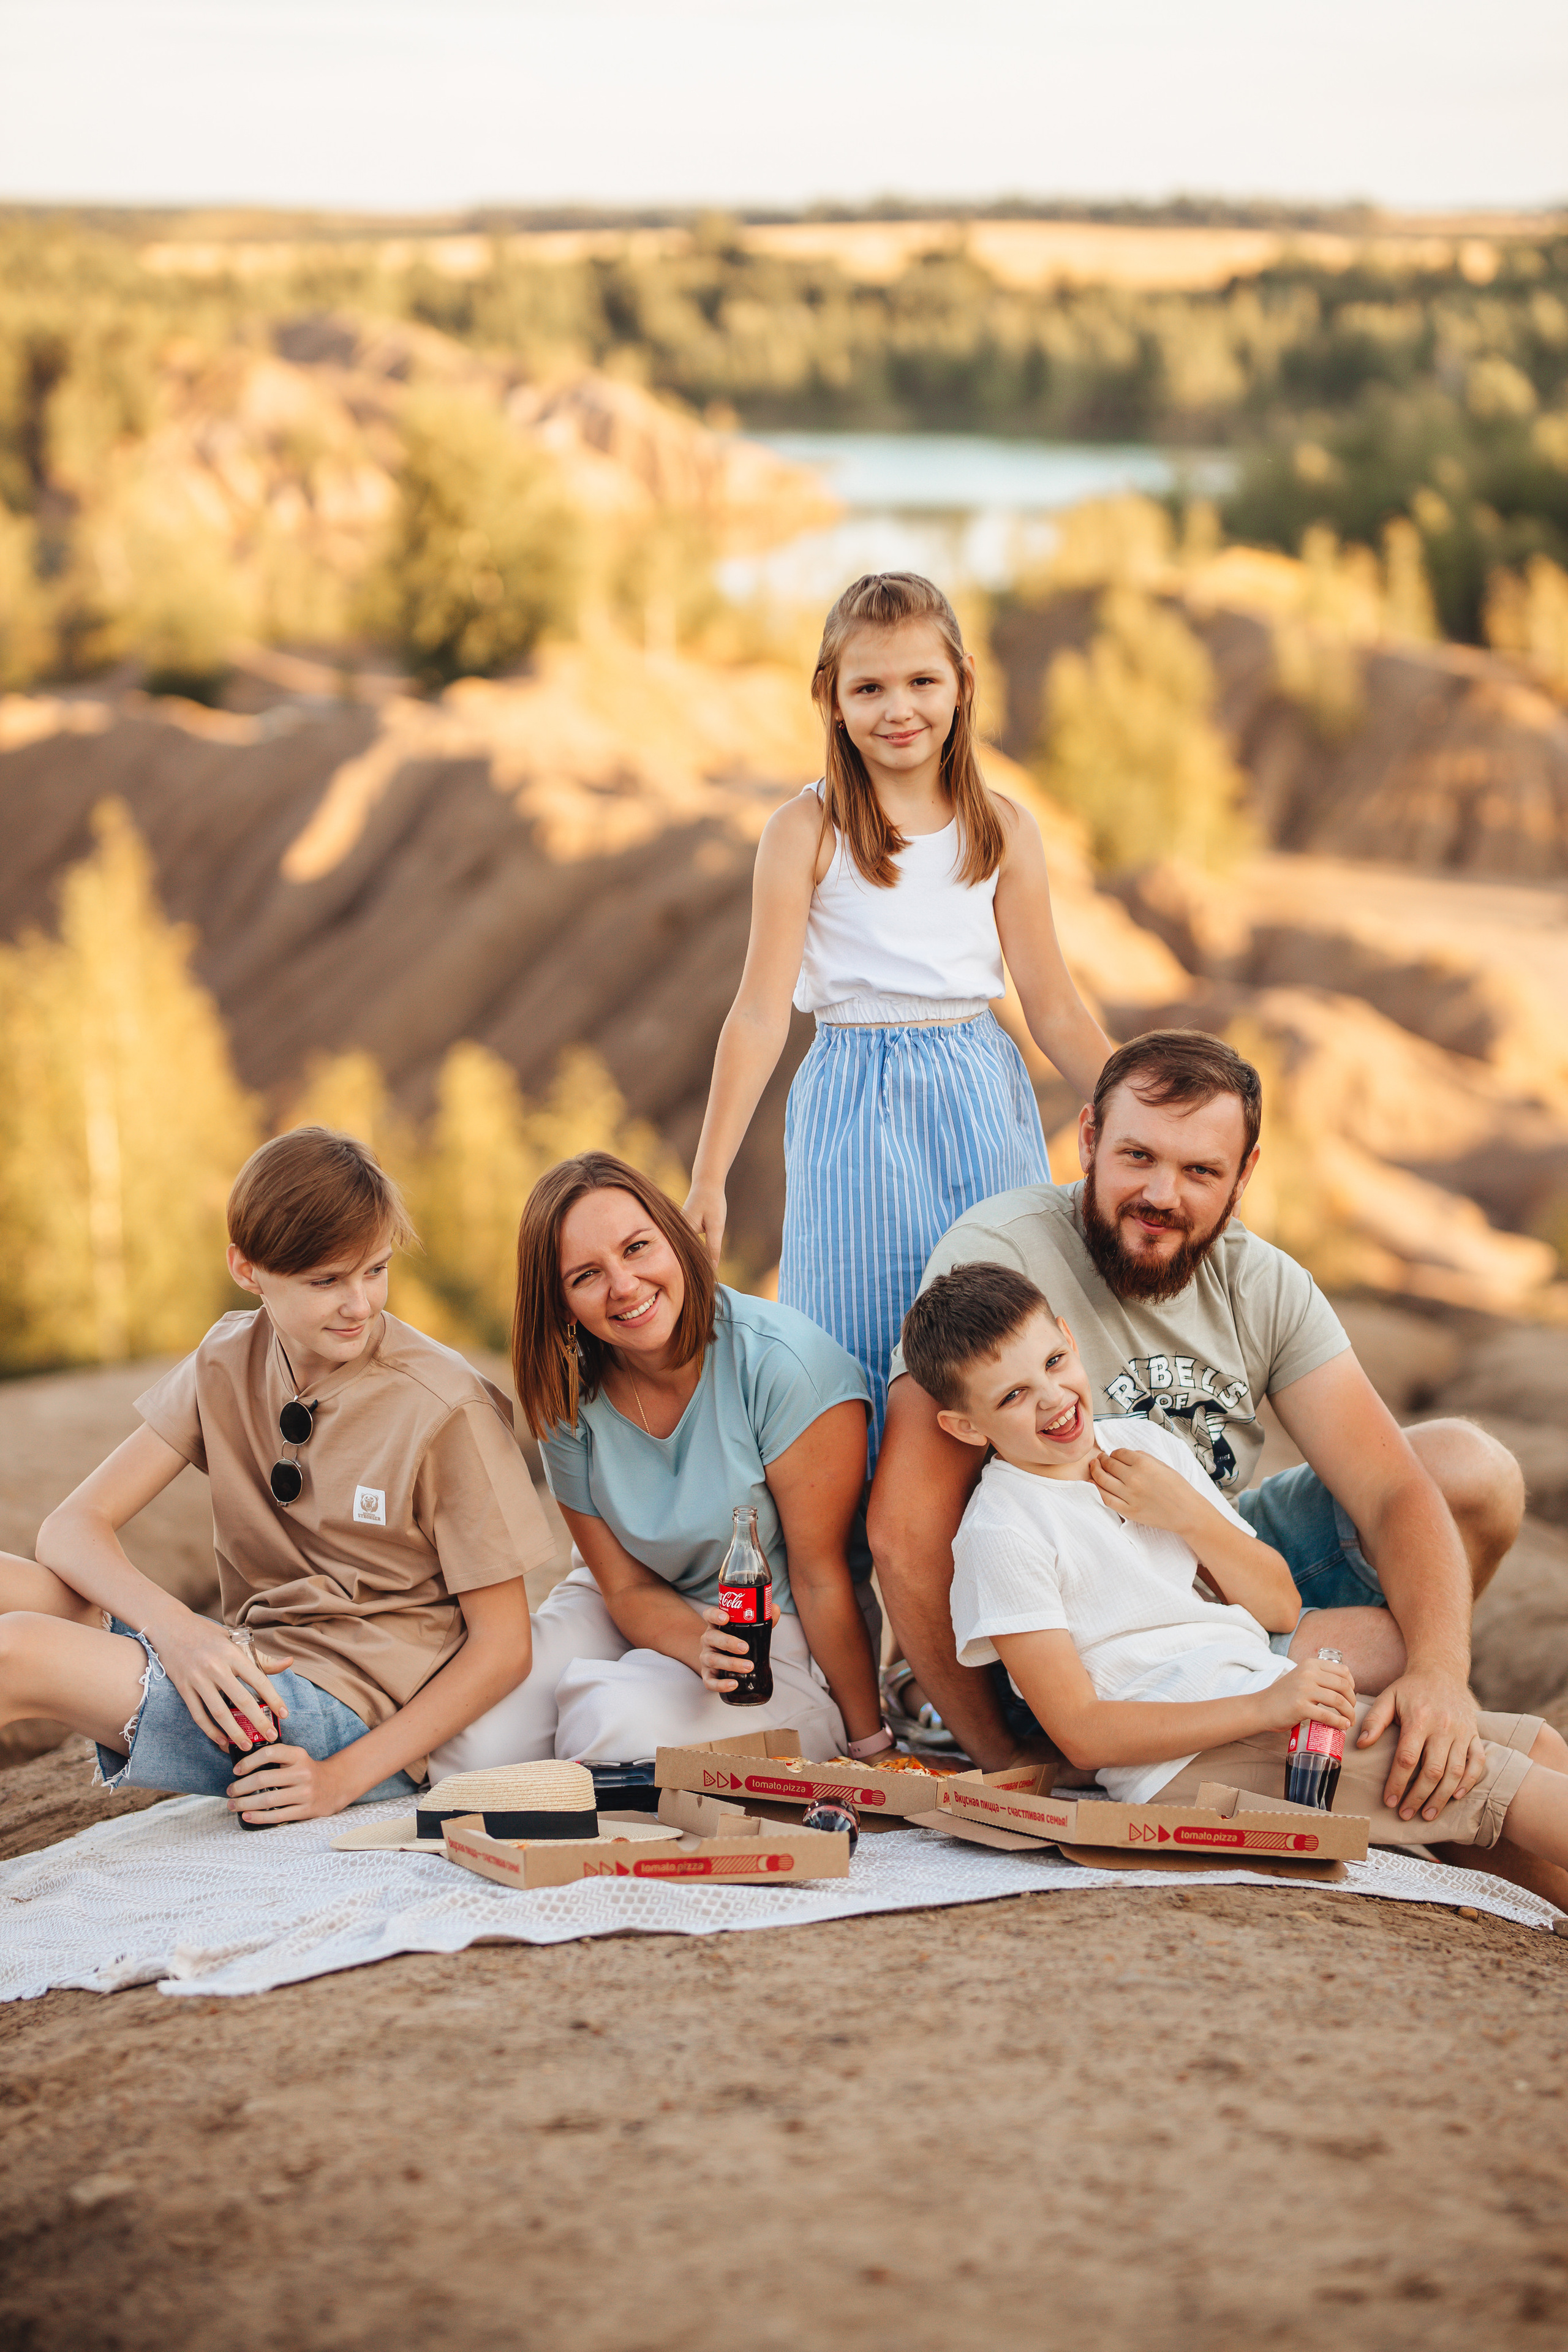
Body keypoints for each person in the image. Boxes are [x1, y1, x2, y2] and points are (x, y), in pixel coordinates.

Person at [870, 1029, 1528, 1852]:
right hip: (1081, 1619)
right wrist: (1009, 1756)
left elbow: (1395, 1490)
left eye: (1200, 1171)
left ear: (1245, 1176)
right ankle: (1308, 1727)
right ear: (1089, 1141)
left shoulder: (1265, 1282)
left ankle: (1386, 1726)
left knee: (1466, 1485)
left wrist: (1442, 1674)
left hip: (1215, 1572)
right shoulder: (1004, 1254)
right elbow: (905, 1530)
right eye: (1138, 1157)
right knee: (1412, 1672)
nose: (1160, 1193)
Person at [900, 1263, 1568, 1884]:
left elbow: (1278, 1608)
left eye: (1054, 1362)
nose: (1052, 1399)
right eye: (1015, 1395)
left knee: (1535, 1744)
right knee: (1500, 1784)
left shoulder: (1143, 1444)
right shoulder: (1004, 1531)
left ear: (1069, 1338)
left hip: (1266, 1688)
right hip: (1190, 1760)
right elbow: (1079, 1731)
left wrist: (1190, 1514)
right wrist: (1262, 1707)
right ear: (964, 1426)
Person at [682, 570, 1109, 1470]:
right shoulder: (809, 829)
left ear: (963, 681)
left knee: (1001, 1342)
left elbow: (1057, 1008)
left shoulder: (1001, 829)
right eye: (868, 688)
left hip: (980, 1096)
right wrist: (708, 1178)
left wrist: (1143, 1122)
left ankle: (1007, 1575)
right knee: (855, 1346)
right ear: (831, 701)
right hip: (853, 1102)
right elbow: (757, 1016)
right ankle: (869, 1562)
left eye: (922, 682)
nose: (898, 709)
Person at [0, 1128, 550, 1824]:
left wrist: (340, 1780)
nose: (360, 1304)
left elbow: (504, 1649)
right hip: (242, 1662)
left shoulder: (447, 1405)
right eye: (326, 1281)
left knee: (14, 1651)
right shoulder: (225, 1359)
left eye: (375, 1270)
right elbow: (70, 1528)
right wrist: (181, 1631)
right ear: (247, 1268)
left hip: (341, 1716)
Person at [429, 1151, 889, 1776]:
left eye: (637, 1247)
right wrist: (688, 1641)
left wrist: (871, 1746)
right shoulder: (568, 1397)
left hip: (768, 1625)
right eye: (585, 1275)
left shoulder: (785, 1365)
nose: (623, 1285)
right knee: (470, 1743)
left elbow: (821, 1579)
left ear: (675, 1242)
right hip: (628, 1603)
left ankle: (743, 1725)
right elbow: (622, 1587)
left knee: (608, 1721)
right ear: (561, 1303)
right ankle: (609, 1728)